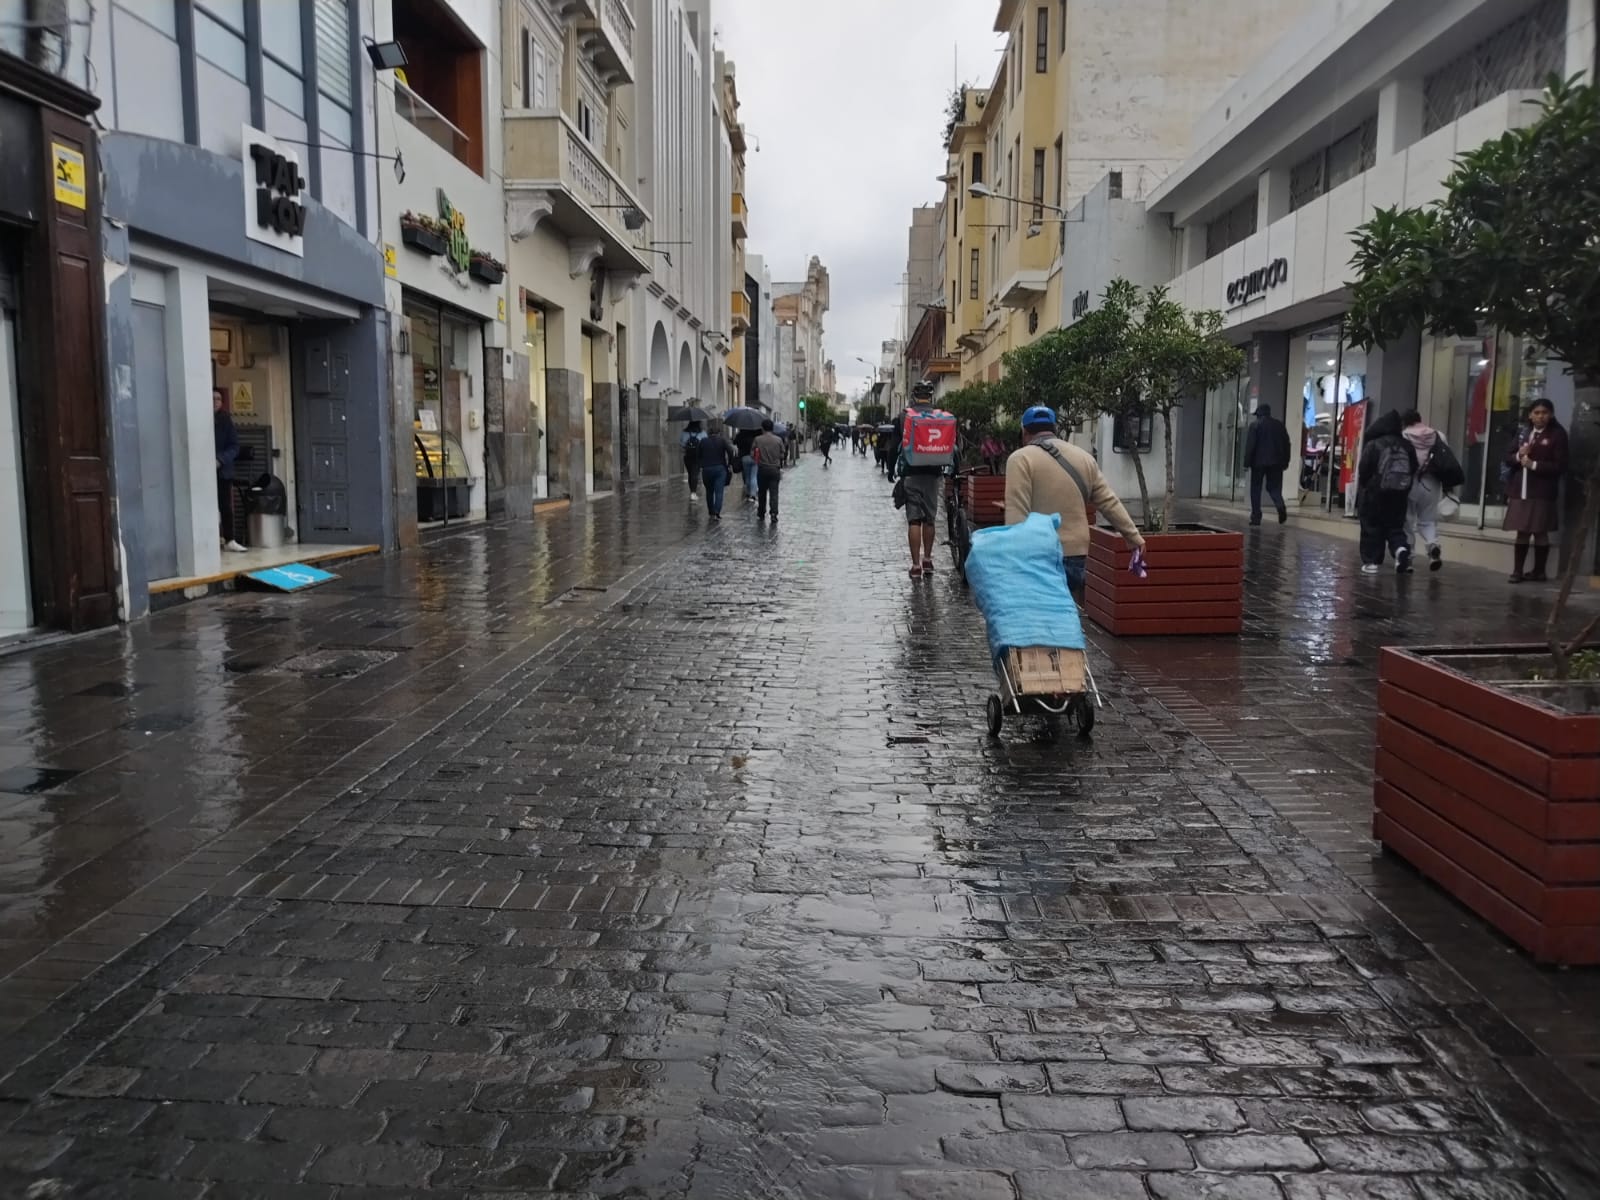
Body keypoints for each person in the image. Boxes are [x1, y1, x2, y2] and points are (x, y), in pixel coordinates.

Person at [1004, 405, 1144, 596]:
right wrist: (1133, 537)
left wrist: (1012, 560)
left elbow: (1016, 513)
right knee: (1064, 612)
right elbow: (1108, 502)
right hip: (1076, 554)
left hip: (1038, 555)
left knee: (1039, 616)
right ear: (1054, 429)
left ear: (1024, 431)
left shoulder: (1020, 459)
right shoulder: (1084, 458)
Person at [1504, 397, 1568, 583]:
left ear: (1551, 415)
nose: (1540, 416)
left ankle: (1539, 571)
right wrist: (1519, 455)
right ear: (1530, 415)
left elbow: (1560, 466)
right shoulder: (1524, 433)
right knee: (1522, 530)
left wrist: (1534, 465)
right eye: (1537, 413)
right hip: (1521, 489)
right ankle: (1517, 571)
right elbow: (1508, 457)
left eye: (1545, 413)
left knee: (1540, 531)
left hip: (1542, 491)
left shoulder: (1557, 434)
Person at [898, 385, 953, 577]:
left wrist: (891, 470)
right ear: (931, 397)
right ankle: (928, 560)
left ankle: (915, 566)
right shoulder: (940, 416)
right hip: (933, 474)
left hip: (911, 473)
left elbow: (898, 446)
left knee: (914, 520)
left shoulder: (906, 416)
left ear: (914, 396)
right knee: (929, 519)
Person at [1401, 409, 1464, 572]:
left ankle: (1408, 558)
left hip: (1408, 483)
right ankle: (1433, 546)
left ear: (1405, 422)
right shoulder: (1438, 435)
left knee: (1407, 521)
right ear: (1420, 419)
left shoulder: (1404, 436)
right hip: (1432, 483)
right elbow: (1445, 460)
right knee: (1428, 520)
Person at [1356, 409, 1418, 574]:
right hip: (1399, 494)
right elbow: (1414, 467)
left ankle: (1371, 562)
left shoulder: (1374, 444)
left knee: (1372, 526)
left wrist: (1365, 486)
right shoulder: (1406, 445)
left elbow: (1364, 469)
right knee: (1395, 526)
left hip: (1376, 493)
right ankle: (1400, 549)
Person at [1242, 403, 1292, 525]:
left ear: (1259, 414)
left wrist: (1246, 463)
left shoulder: (1255, 426)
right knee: (1274, 488)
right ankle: (1280, 506)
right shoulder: (1280, 426)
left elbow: (1250, 446)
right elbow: (1287, 445)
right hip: (1276, 463)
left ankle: (1256, 517)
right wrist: (1286, 461)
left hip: (1258, 464)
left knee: (1256, 489)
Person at [214, 387, 246, 552]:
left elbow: (234, 446)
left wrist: (220, 459)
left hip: (222, 470)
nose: (215, 402)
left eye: (218, 399)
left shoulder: (225, 420)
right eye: (212, 399)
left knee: (225, 506)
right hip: (202, 471)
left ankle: (230, 539)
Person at [696, 422, 740, 521]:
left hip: (707, 469)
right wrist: (730, 464)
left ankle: (711, 511)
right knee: (719, 491)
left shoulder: (703, 441)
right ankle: (717, 512)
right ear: (719, 433)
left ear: (708, 433)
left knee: (709, 491)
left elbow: (698, 455)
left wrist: (702, 464)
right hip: (720, 469)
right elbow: (730, 451)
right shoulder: (722, 441)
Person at [753, 419, 786, 523]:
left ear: (762, 428)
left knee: (762, 492)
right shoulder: (778, 440)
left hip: (762, 469)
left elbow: (752, 453)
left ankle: (761, 512)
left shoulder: (758, 439)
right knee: (774, 493)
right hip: (774, 469)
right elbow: (782, 454)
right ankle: (773, 513)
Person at [734, 424, 760, 500]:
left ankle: (748, 493)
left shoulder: (740, 435)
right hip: (754, 457)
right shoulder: (756, 436)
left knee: (747, 476)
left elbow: (735, 442)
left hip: (744, 457)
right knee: (754, 476)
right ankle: (753, 494)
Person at [679, 420, 704, 499]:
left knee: (690, 474)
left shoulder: (684, 432)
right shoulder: (702, 433)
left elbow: (681, 444)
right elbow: (705, 443)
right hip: (698, 457)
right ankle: (693, 493)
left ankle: (692, 491)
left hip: (687, 456)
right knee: (695, 474)